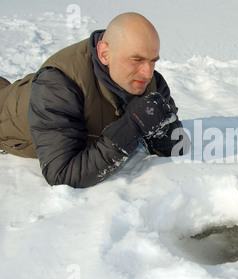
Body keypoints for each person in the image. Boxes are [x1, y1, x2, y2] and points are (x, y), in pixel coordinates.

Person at [0, 12, 189, 188]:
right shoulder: (57, 86)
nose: (148, 73)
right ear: (104, 54)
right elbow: (62, 174)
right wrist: (132, 127)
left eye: (153, 60)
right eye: (137, 60)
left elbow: (178, 146)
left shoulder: (152, 82)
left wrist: (163, 130)